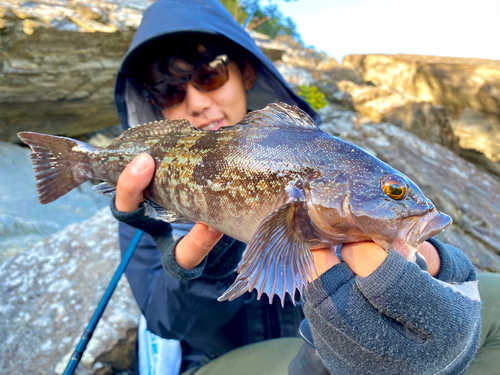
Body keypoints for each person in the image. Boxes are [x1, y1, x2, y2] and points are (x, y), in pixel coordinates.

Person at [111, 0, 488, 374]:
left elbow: (410, 250)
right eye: (169, 93)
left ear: (245, 72)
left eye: (210, 75)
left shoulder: (333, 159)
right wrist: (203, 265)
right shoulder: (144, 192)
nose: (196, 103)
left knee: (494, 293)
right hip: (223, 359)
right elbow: (167, 325)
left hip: (315, 343)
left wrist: (437, 274)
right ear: (155, 107)